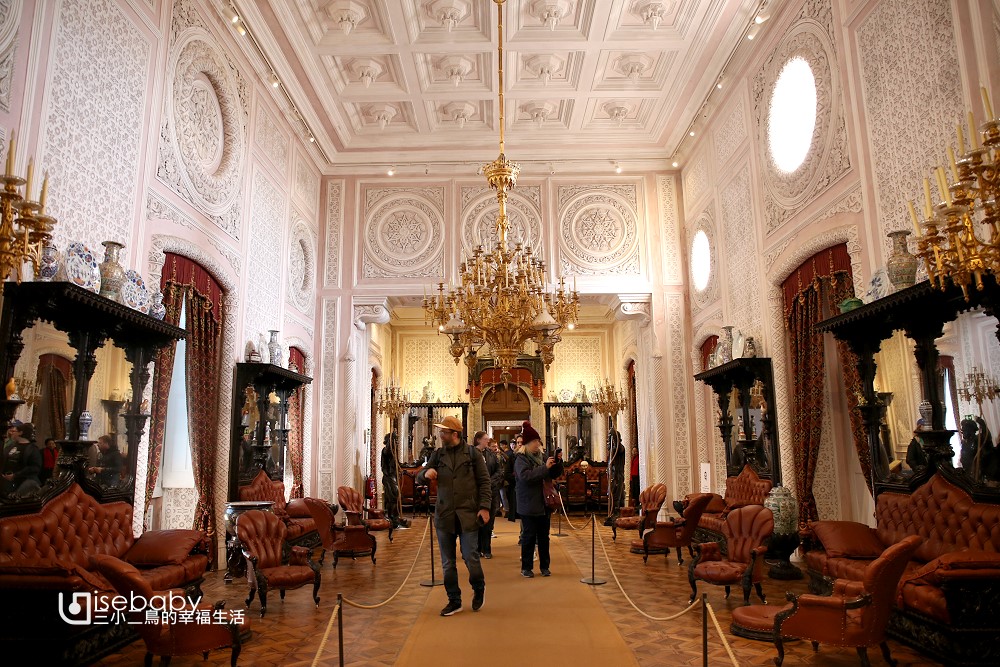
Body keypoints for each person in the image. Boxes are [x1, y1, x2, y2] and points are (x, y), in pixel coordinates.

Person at [416, 416, 490, 616]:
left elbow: (485, 482)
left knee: (470, 557)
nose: (440, 435)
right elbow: (418, 477)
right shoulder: (438, 455)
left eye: (444, 432)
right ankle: (454, 600)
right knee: (448, 562)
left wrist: (484, 507)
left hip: (468, 513)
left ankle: (479, 588)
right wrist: (426, 473)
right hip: (444, 514)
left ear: (454, 434)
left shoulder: (473, 454)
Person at [514, 421, 563, 578]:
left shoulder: (541, 457)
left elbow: (552, 475)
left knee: (544, 537)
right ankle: (526, 567)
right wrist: (545, 468)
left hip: (543, 503)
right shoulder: (521, 459)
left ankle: (545, 567)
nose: (538, 444)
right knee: (528, 537)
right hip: (528, 503)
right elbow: (525, 477)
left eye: (538, 441)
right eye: (535, 441)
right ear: (528, 443)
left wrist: (557, 463)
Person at [474, 431, 503, 558]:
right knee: (476, 521)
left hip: (491, 492)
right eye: (485, 439)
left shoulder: (491, 454)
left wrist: (489, 482)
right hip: (476, 493)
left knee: (489, 521)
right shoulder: (471, 454)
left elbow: (499, 470)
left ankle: (487, 549)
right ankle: (476, 548)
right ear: (478, 440)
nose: (488, 441)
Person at [1, 422, 42, 494]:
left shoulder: (32, 449)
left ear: (20, 433)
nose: (11, 433)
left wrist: (15, 475)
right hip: (7, 482)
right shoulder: (10, 446)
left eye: (14, 431)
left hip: (24, 483)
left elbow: (34, 467)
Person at [381, 432, 409, 528]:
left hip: (394, 476)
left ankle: (395, 517)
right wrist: (391, 439)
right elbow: (388, 451)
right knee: (393, 497)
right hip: (388, 477)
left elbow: (397, 463)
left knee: (396, 497)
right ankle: (392, 517)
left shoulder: (394, 451)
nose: (397, 441)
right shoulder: (386, 450)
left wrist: (405, 466)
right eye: (395, 440)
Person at [503, 434, 523, 523]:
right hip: (515, 486)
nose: (519, 444)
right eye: (518, 442)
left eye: (521, 442)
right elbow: (507, 473)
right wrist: (517, 478)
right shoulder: (512, 456)